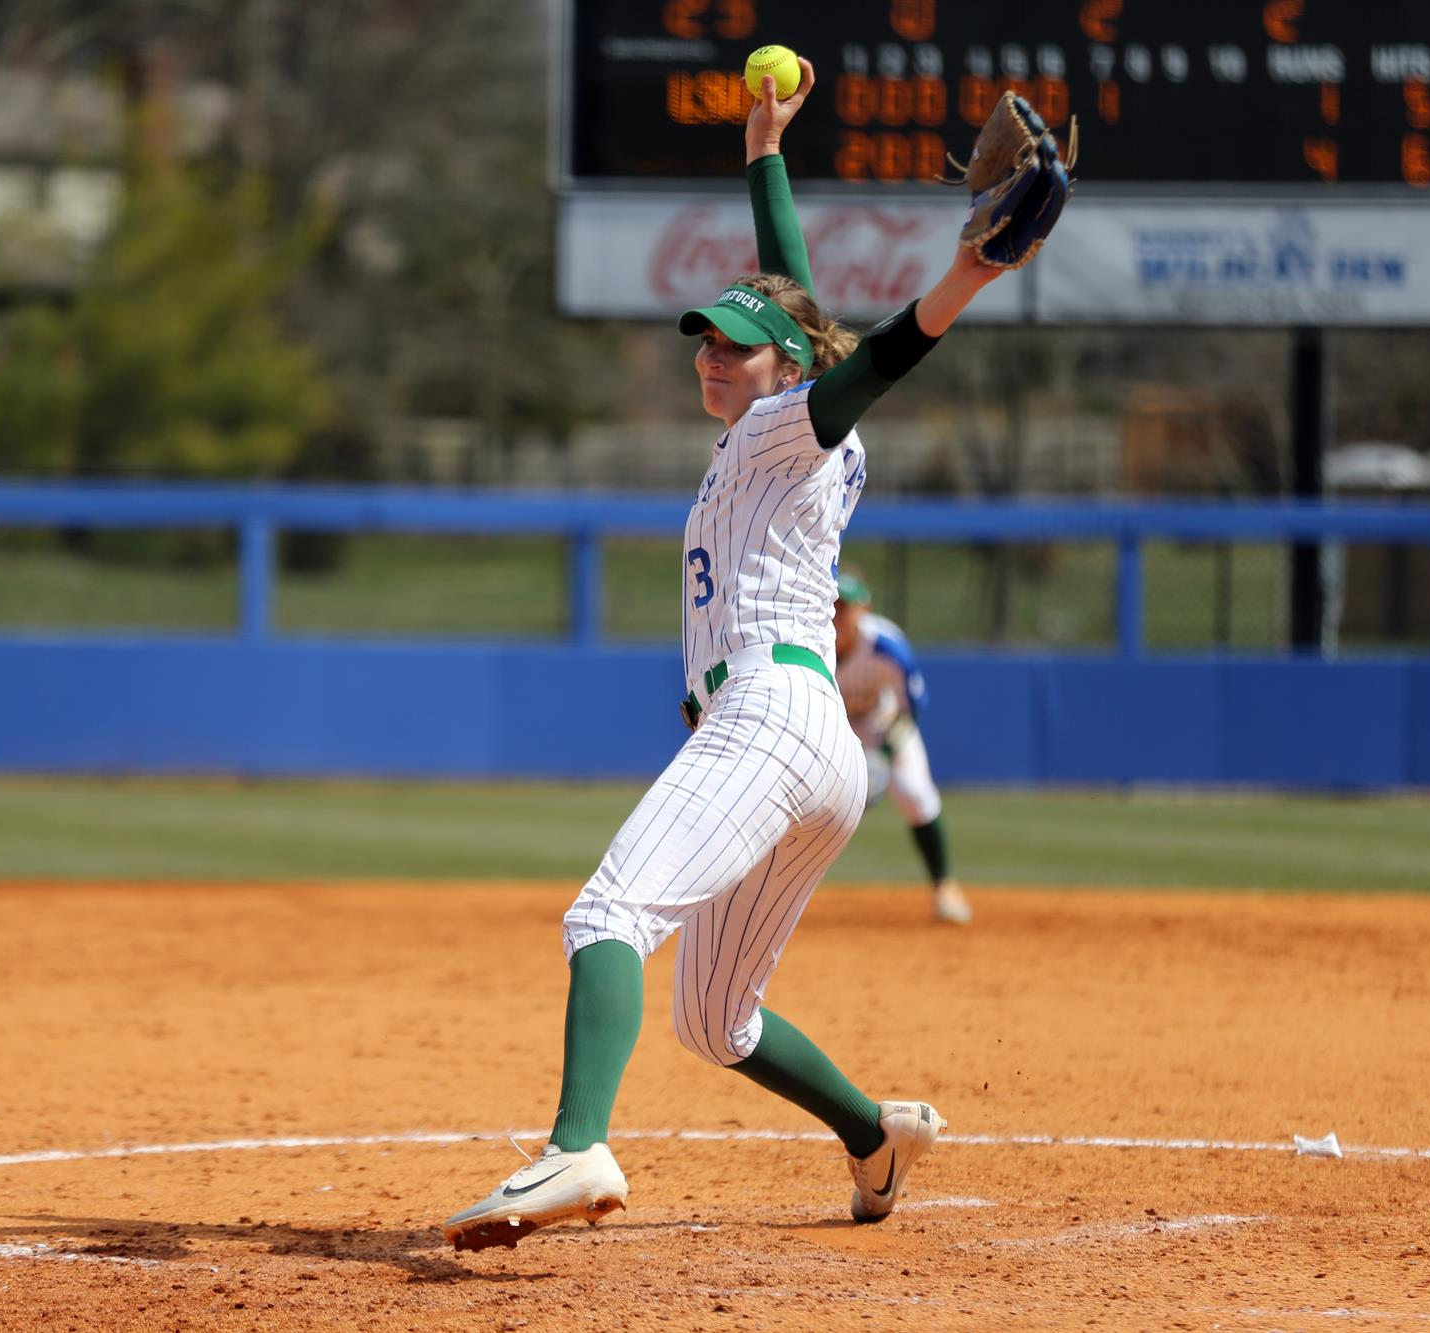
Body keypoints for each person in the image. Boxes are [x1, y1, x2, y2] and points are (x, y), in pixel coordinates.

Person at [442, 61, 1055, 1251]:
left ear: (784, 370)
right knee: (713, 1018)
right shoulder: (785, 432)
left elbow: (868, 354)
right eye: (703, 342)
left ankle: (576, 1147)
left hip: (772, 715)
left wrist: (965, 276)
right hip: (813, 747)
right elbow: (808, 309)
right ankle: (874, 1137)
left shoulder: (788, 428)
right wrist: (763, 157)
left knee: (605, 913)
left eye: (733, 344)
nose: (709, 357)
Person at [832, 570, 972, 925]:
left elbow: (912, 707)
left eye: (845, 606)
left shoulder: (886, 647)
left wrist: (884, 756)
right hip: (833, 726)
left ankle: (944, 887)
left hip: (884, 722)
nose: (837, 614)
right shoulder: (808, 642)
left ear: (864, 609)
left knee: (914, 794)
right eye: (832, 605)